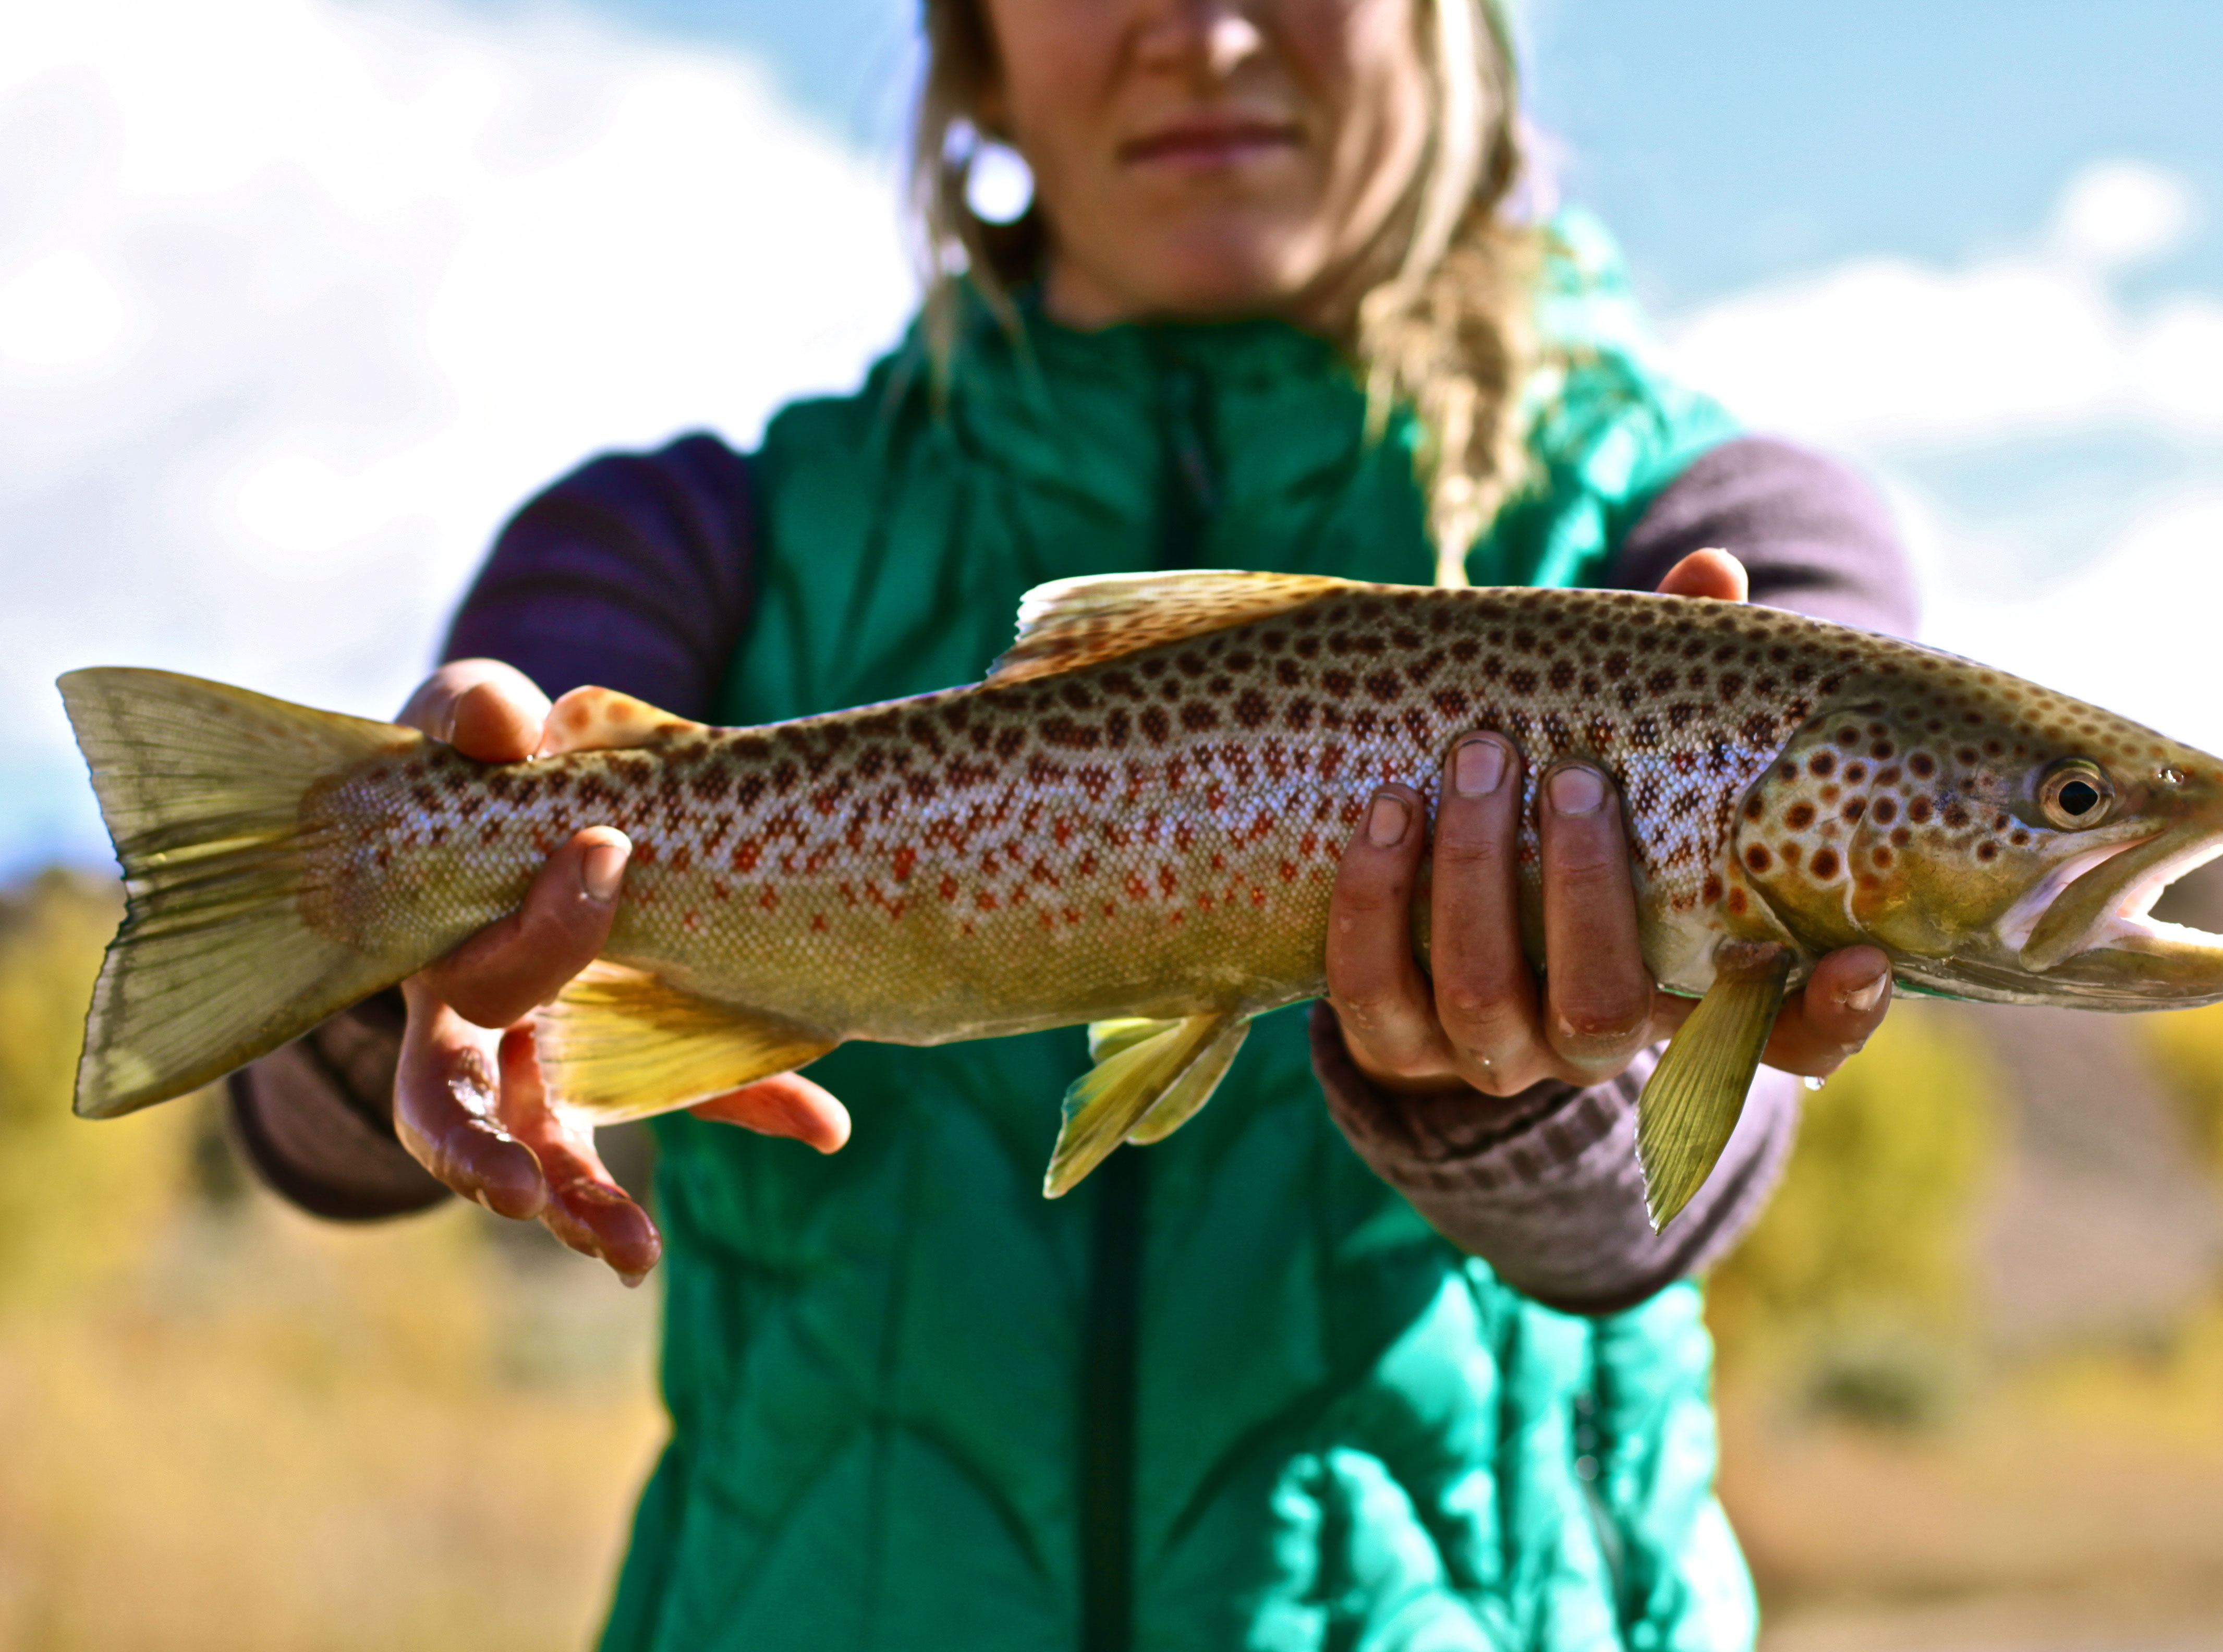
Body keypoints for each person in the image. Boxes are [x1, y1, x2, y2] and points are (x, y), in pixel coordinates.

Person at [227, 1, 1914, 1646]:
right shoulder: (679, 539)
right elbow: (310, 1142)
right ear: (971, 50)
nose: (1206, 32)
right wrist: (414, 959)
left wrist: (1484, 1082)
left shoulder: (1717, 549)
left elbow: (1643, 1219)